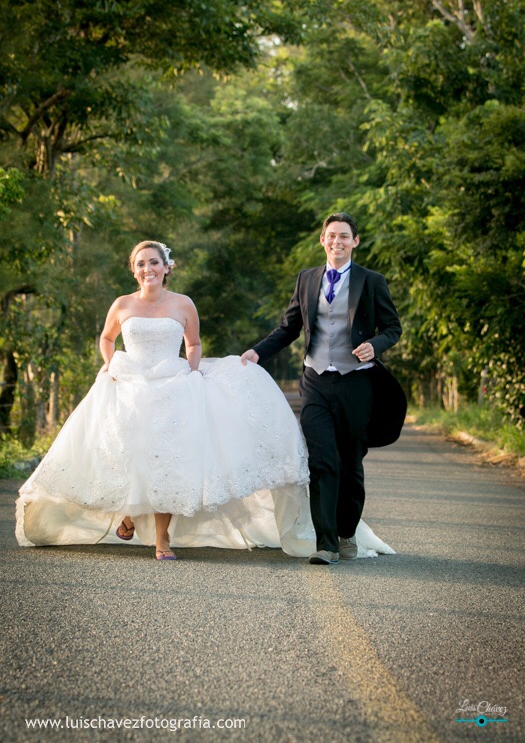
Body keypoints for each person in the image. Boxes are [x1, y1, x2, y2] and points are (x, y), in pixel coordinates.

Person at [16, 241, 315, 560]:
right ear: (134, 270)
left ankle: (162, 541)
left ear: (167, 267)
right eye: (141, 264)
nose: (148, 269)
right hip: (129, 384)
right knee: (130, 454)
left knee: (166, 460)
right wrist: (109, 363)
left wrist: (193, 371)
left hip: (172, 385)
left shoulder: (184, 304)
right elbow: (106, 338)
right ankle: (129, 515)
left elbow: (194, 343)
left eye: (154, 262)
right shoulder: (122, 304)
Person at [242, 213, 406, 565]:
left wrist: (375, 345)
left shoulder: (371, 281)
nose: (337, 242)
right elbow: (289, 327)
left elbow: (393, 327)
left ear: (355, 242)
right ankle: (326, 543)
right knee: (321, 461)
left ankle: (347, 532)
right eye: (331, 236)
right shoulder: (306, 279)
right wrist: (258, 351)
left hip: (357, 383)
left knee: (350, 462)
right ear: (322, 240)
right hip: (315, 381)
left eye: (344, 237)